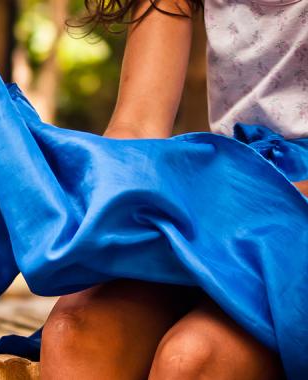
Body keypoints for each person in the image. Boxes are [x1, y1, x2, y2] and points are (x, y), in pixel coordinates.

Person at [40, 0, 308, 378]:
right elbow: (137, 125)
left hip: (287, 206)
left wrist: (233, 208)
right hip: (225, 190)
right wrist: (92, 190)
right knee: (75, 333)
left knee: (192, 360)